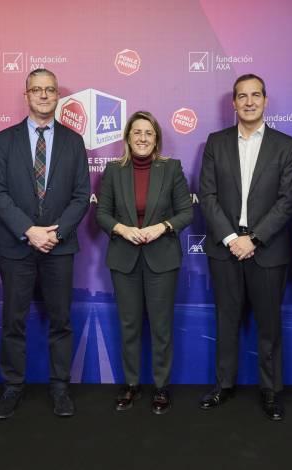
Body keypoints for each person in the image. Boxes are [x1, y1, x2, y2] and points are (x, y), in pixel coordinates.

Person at [0, 68, 90, 419]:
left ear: (58, 95)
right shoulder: (4, 140)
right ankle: (13, 388)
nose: (44, 95)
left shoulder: (74, 141)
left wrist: (55, 234)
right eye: (37, 89)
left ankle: (60, 388)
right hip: (17, 245)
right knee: (12, 322)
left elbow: (81, 195)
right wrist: (29, 230)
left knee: (61, 321)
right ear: (26, 95)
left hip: (59, 247)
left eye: (50, 89)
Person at [198, 74, 292, 420]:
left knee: (269, 325)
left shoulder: (285, 145)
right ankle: (223, 385)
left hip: (267, 249)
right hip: (225, 247)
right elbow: (207, 195)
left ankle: (271, 391)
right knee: (226, 321)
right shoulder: (216, 142)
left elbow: (287, 201)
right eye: (242, 96)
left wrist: (253, 239)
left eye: (256, 95)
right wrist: (231, 238)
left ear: (265, 100)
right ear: (234, 103)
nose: (249, 101)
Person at [96, 111, 192, 414]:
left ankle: (161, 387)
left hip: (162, 258)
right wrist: (123, 229)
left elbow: (186, 212)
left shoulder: (171, 168)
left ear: (156, 139)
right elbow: (102, 213)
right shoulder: (114, 170)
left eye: (148, 133)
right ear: (127, 137)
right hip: (124, 258)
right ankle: (131, 384)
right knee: (129, 325)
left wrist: (161, 227)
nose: (142, 138)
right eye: (137, 132)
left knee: (161, 327)